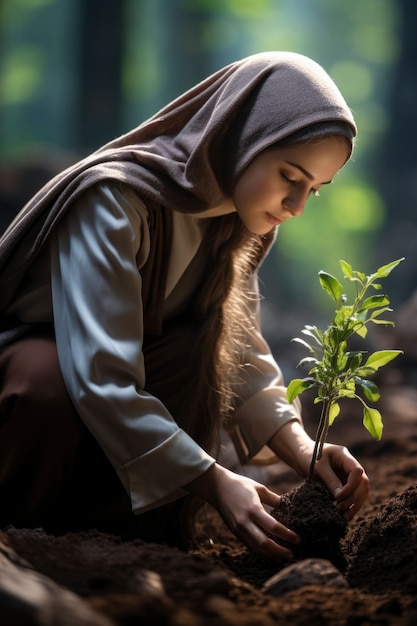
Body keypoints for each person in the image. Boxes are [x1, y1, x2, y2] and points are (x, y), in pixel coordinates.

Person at [0, 51, 369, 561]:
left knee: (200, 349)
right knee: (44, 386)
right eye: (290, 175)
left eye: (314, 190)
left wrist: (303, 451)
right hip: (47, 359)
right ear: (242, 138)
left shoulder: (243, 218)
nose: (297, 206)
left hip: (140, 367)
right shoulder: (116, 199)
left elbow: (242, 355)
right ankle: (22, 539)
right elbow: (100, 372)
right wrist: (215, 481)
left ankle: (133, 540)